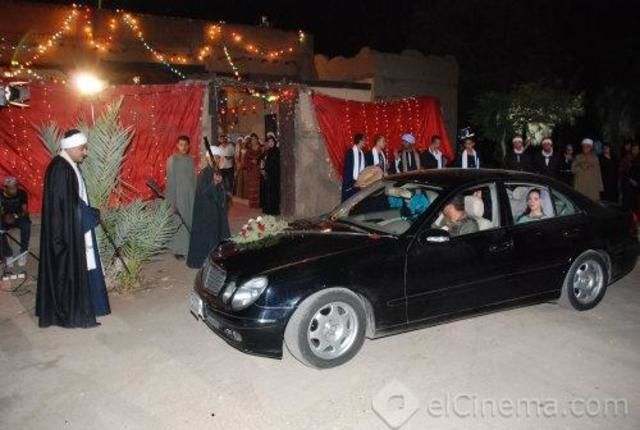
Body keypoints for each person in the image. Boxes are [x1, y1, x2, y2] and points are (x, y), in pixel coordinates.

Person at [36, 129, 110, 328]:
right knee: (69, 270)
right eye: (82, 149)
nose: (85, 152)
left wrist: (89, 213)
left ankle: (91, 306)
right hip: (65, 234)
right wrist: (90, 215)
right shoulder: (61, 168)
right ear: (70, 147)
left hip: (73, 227)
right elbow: (67, 206)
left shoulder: (68, 165)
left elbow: (73, 200)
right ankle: (75, 313)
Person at [187, 148, 231, 269]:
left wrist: (222, 187)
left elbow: (224, 191)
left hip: (217, 210)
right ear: (208, 159)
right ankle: (207, 263)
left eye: (218, 158)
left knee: (218, 236)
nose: (216, 160)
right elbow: (204, 193)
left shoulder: (218, 172)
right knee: (208, 237)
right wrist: (214, 183)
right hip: (206, 212)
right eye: (214, 157)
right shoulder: (204, 173)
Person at [166, 135, 196, 260]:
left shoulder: (190, 160)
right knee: (179, 222)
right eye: (181, 144)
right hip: (178, 196)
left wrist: (196, 195)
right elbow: (171, 182)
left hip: (190, 196)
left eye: (186, 145)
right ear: (177, 145)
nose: (183, 147)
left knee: (189, 220)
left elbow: (193, 179)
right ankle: (178, 250)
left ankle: (189, 247)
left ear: (189, 146)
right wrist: (171, 201)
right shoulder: (172, 160)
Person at [1, 177, 31, 267]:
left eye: (15, 187)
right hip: (4, 219)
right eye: (12, 188)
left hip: (18, 217)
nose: (15, 190)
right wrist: (4, 217)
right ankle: (8, 254)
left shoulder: (21, 193)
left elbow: (25, 211)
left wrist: (14, 216)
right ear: (5, 188)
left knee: (26, 224)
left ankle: (23, 252)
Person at [341, 133, 366, 201]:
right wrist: (353, 183)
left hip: (359, 184)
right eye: (364, 140)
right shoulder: (350, 152)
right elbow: (347, 170)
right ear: (360, 141)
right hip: (350, 184)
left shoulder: (362, 154)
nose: (365, 142)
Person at [261, 135, 281, 215]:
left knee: (273, 192)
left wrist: (266, 170)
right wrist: (264, 169)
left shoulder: (276, 151)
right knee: (268, 192)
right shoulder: (268, 151)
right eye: (269, 142)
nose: (270, 143)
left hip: (274, 175)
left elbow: (274, 163)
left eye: (272, 141)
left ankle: (273, 209)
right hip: (269, 174)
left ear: (274, 142)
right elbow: (266, 162)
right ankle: (268, 208)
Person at [245, 134, 262, 208]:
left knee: (259, 186)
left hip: (259, 169)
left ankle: (259, 203)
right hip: (251, 170)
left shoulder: (261, 148)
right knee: (252, 186)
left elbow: (264, 157)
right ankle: (252, 203)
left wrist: (258, 161)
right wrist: (251, 162)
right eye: (252, 139)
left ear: (257, 139)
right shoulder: (249, 150)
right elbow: (245, 160)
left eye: (255, 139)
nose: (254, 141)